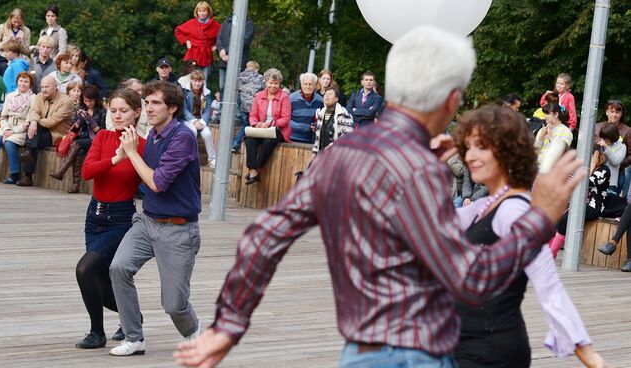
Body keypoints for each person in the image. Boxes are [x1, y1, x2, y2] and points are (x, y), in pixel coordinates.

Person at [173, 25, 587, 368]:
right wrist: (541, 216)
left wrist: (227, 326)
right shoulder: (419, 169)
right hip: (418, 356)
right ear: (451, 100)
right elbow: (470, 279)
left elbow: (265, 233)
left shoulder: (344, 153)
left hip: (360, 354)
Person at [452, 105, 605, 368]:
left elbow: (549, 284)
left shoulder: (513, 209)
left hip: (488, 352)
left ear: (507, 151)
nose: (471, 156)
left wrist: (590, 356)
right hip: (465, 345)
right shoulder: (487, 205)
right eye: (468, 147)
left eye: (481, 147)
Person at [109, 81, 202, 356]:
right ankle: (134, 338)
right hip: (147, 221)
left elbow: (158, 182)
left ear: (172, 108)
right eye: (146, 102)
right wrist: (119, 156)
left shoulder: (182, 137)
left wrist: (131, 153)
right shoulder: (153, 134)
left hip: (178, 229)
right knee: (119, 268)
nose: (148, 108)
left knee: (173, 304)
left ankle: (193, 330)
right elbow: (139, 175)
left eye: (156, 103)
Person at [74, 88, 147, 349]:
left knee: (84, 269)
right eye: (114, 110)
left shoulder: (143, 145)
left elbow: (151, 181)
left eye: (123, 110)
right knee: (100, 277)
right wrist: (116, 158)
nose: (117, 115)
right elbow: (87, 172)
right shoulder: (103, 137)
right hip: (93, 217)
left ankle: (97, 333)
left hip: (120, 219)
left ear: (136, 113)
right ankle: (133, 316)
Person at [548, 144, 612, 259]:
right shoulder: (583, 169)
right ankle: (548, 252)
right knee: (556, 220)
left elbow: (585, 183)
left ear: (596, 156)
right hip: (579, 204)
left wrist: (592, 164)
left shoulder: (603, 170)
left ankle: (552, 253)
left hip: (593, 206)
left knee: (564, 219)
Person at [16, 75, 74, 187]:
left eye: (47, 87)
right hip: (40, 131)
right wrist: (33, 122)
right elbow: (33, 111)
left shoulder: (66, 101)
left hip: (56, 135)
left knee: (33, 138)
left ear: (55, 86)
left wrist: (35, 122)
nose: (44, 90)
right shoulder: (39, 96)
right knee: (34, 136)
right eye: (42, 87)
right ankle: (28, 155)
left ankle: (27, 176)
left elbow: (53, 121)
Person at [50, 84, 106, 193]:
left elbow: (102, 133)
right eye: (86, 101)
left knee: (77, 144)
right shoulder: (82, 108)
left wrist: (91, 121)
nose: (88, 103)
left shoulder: (102, 112)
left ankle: (61, 171)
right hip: (84, 139)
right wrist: (79, 121)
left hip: (96, 140)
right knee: (79, 151)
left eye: (90, 101)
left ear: (96, 99)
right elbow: (74, 131)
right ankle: (75, 185)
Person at [0, 72, 35, 184]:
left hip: (21, 129)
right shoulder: (10, 96)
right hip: (7, 126)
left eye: (26, 81)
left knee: (9, 142)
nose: (23, 83)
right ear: (17, 82)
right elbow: (3, 116)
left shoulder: (33, 98)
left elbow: (29, 120)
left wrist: (14, 131)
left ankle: (14, 174)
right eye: (21, 81)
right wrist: (6, 129)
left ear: (30, 84)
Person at [244, 68, 291, 185]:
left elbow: (286, 118)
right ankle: (252, 169)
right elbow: (252, 115)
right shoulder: (259, 95)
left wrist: (270, 124)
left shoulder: (284, 97)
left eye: (276, 83)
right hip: (260, 129)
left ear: (279, 84)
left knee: (269, 142)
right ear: (266, 82)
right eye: (270, 83)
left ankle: (256, 169)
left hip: (277, 130)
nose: (273, 86)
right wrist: (256, 124)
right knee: (249, 140)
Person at [175, 2, 221, 81]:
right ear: (197, 12)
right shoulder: (192, 23)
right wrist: (186, 41)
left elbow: (222, 36)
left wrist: (216, 46)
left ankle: (204, 93)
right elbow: (178, 30)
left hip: (206, 55)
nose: (202, 13)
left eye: (204, 11)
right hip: (193, 54)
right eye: (200, 11)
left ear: (208, 12)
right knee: (192, 79)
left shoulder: (215, 25)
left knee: (204, 79)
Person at [594, 100, 631, 194]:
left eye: (617, 112)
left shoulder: (627, 130)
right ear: (606, 112)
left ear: (621, 114)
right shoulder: (597, 127)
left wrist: (617, 163)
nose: (614, 115)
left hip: (617, 173)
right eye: (612, 111)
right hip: (597, 169)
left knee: (612, 203)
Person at [182, 70, 216, 168]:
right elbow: (184, 109)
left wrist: (202, 121)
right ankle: (189, 158)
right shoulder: (185, 92)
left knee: (207, 134)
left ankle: (212, 159)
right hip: (188, 120)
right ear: (191, 80)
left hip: (201, 120)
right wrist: (194, 121)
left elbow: (208, 109)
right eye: (195, 81)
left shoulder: (206, 93)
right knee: (192, 131)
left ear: (203, 82)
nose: (197, 83)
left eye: (199, 81)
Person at [232, 60, 265, 153]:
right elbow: (265, 89)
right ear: (257, 69)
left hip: (243, 106)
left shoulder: (240, 76)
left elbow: (237, 90)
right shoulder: (260, 77)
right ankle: (240, 145)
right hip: (254, 106)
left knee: (245, 124)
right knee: (250, 125)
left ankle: (236, 144)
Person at [216, 15, 254, 92]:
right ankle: (222, 105)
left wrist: (226, 51)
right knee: (222, 86)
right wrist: (221, 51)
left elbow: (244, 41)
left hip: (239, 62)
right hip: (224, 61)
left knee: (236, 88)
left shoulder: (248, 23)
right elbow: (219, 38)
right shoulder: (227, 21)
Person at [311, 88, 353, 157]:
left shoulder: (343, 114)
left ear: (336, 99)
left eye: (330, 94)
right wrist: (314, 152)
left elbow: (347, 137)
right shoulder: (321, 113)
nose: (327, 96)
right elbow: (318, 136)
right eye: (326, 94)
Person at [289, 72, 323, 143]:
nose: (308, 87)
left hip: (310, 139)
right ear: (301, 85)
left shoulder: (320, 101)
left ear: (315, 86)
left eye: (310, 84)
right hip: (291, 137)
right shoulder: (291, 98)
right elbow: (286, 118)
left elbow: (321, 120)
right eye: (305, 84)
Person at [594, 123, 626, 194]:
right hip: (596, 180)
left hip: (610, 184)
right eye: (602, 138)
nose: (603, 140)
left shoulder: (621, 147)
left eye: (606, 139)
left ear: (612, 138)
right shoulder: (600, 145)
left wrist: (606, 148)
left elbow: (616, 161)